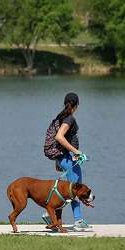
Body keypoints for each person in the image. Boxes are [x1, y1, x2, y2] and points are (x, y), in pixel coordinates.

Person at [43, 92, 92, 232]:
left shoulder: (61, 116)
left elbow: (58, 141)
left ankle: (50, 216)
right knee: (76, 189)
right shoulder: (69, 118)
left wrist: (61, 160)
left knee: (69, 189)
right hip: (66, 158)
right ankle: (78, 221)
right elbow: (59, 137)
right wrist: (77, 152)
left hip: (64, 158)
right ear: (76, 105)